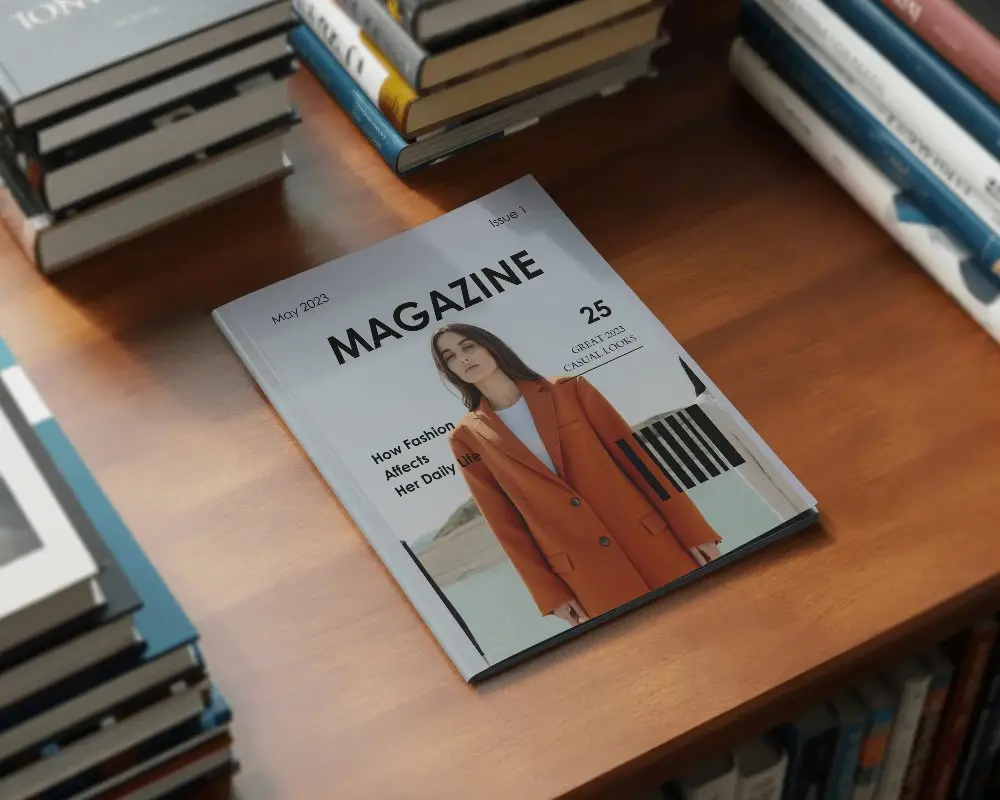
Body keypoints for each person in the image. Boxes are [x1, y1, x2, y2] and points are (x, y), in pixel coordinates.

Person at [431, 322, 722, 626]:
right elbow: (504, 523)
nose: (462, 359)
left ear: (491, 346)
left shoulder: (569, 389)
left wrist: (693, 531)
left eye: (468, 346)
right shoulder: (465, 438)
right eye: (450, 357)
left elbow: (639, 463)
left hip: (654, 542)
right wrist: (550, 594)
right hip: (587, 577)